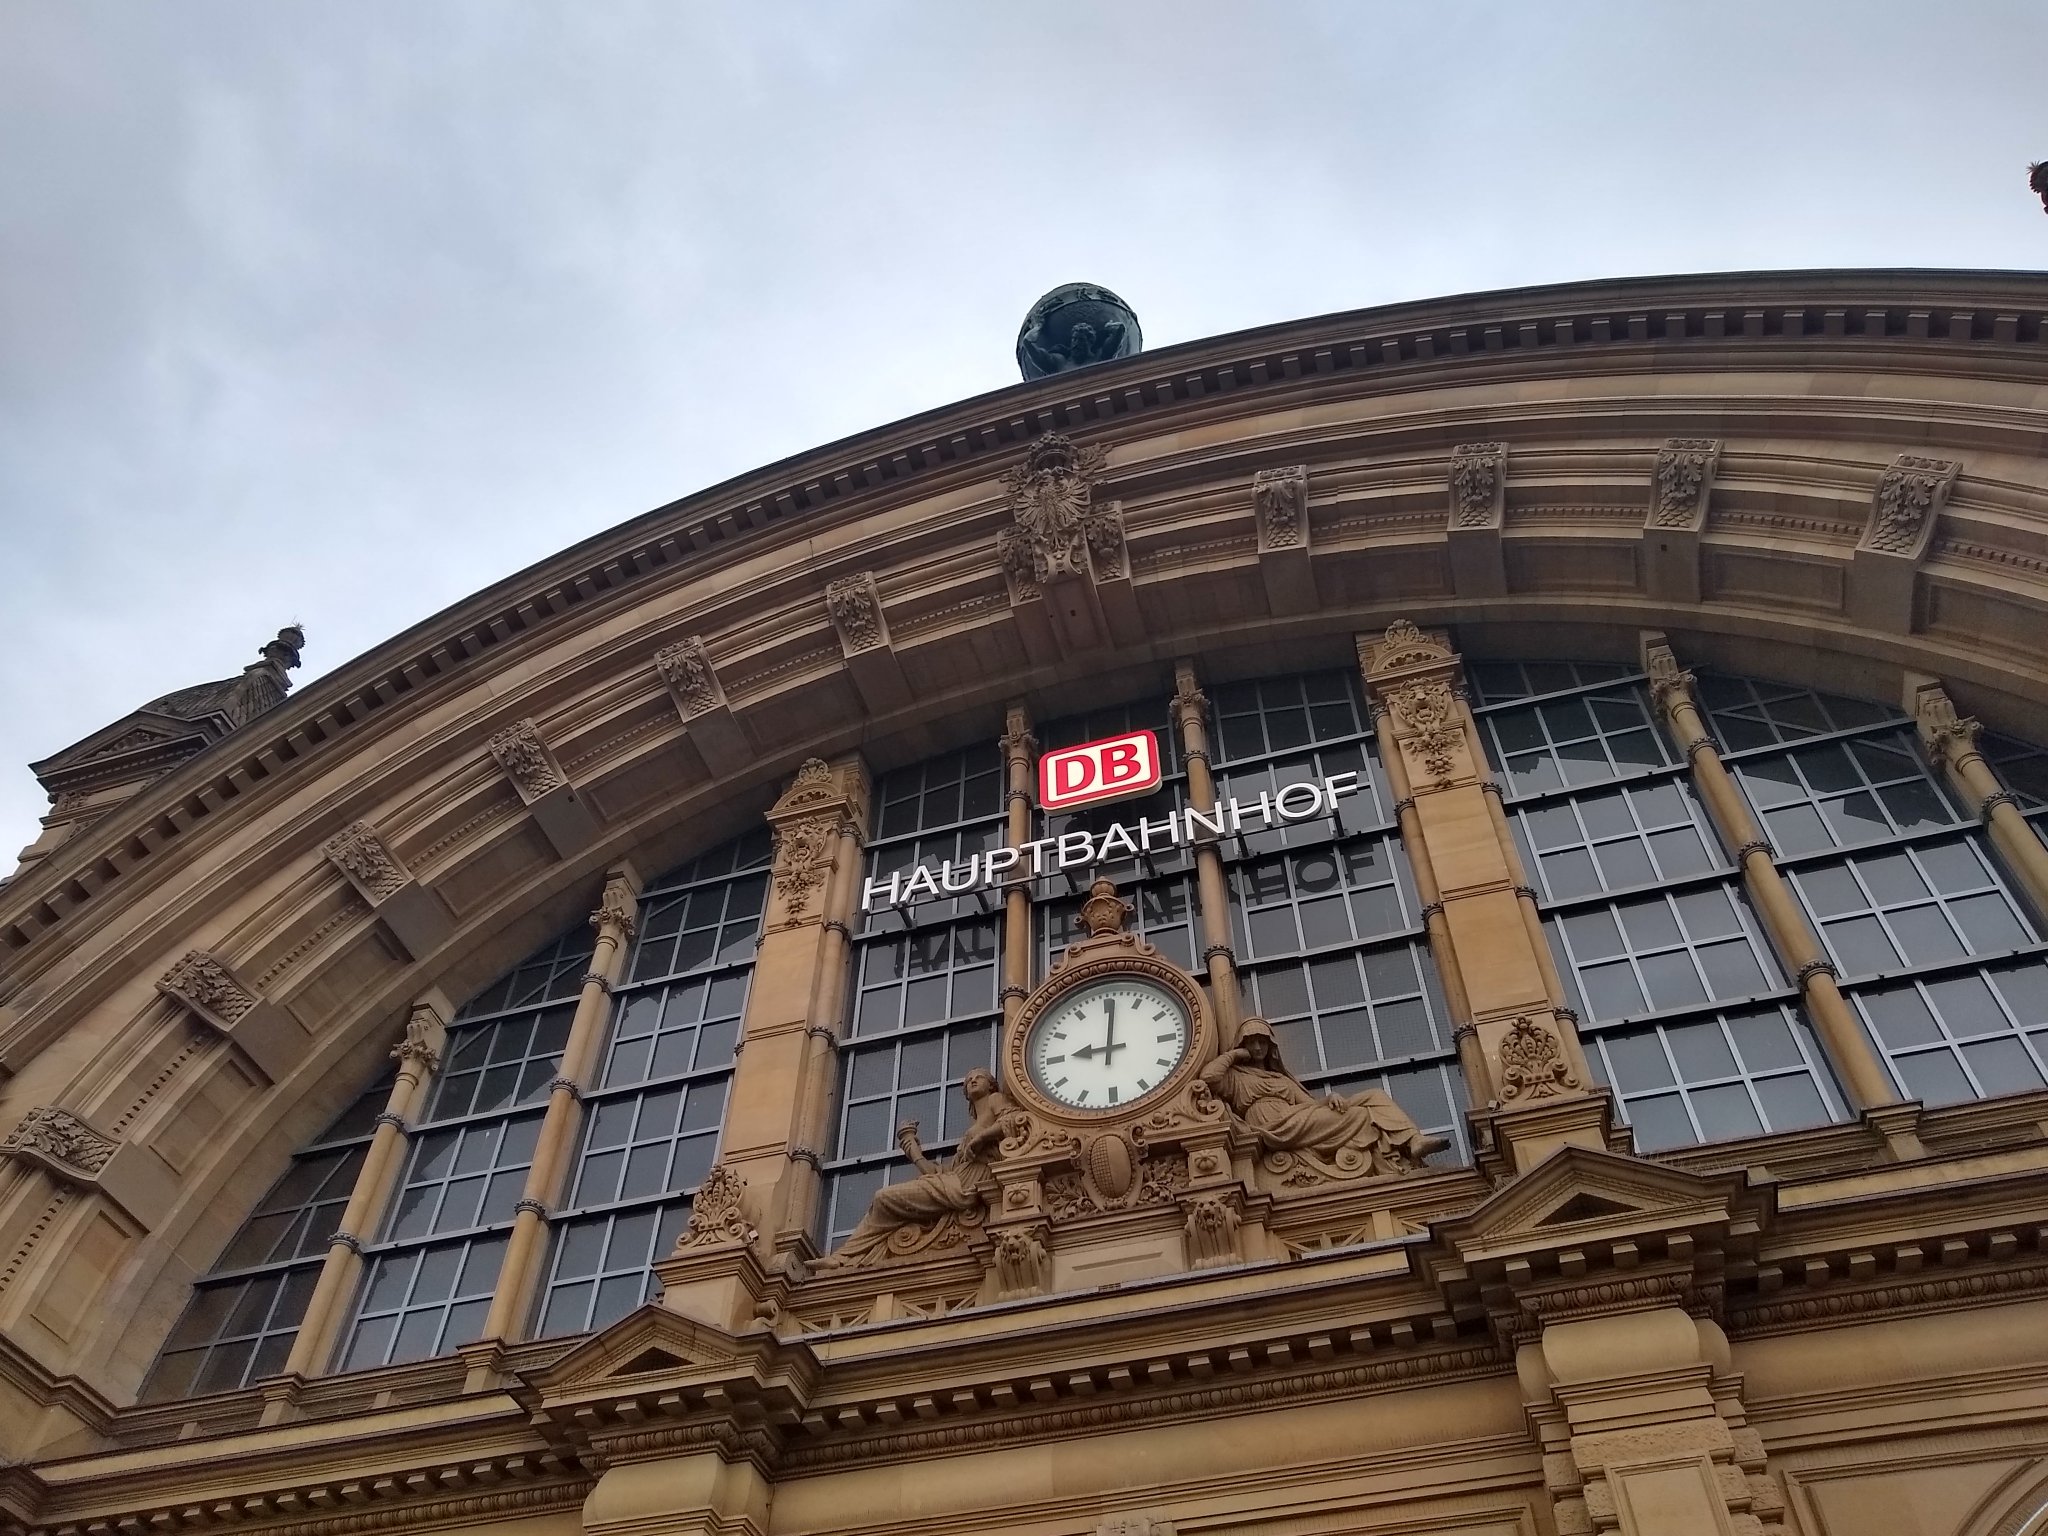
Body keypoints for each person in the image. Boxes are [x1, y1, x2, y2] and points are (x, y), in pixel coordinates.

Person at [811, 1067, 1014, 1269]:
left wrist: (981, 1138)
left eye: (979, 1077)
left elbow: (1012, 1121)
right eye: (968, 1079)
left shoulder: (995, 1099)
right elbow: (940, 1174)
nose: (972, 1080)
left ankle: (844, 1258)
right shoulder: (971, 1132)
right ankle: (844, 1258)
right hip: (955, 1183)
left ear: (991, 1084)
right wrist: (913, 1150)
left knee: (883, 1198)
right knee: (883, 1201)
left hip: (968, 1185)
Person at [1202, 1017, 1448, 1173]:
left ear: (1270, 1047)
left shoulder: (1281, 1079)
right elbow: (1208, 1078)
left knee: (1373, 1094)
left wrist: (1329, 1098)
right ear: (1242, 1044)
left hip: (1297, 1117)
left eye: (1262, 1042)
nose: (1256, 1048)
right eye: (1250, 1042)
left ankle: (1413, 1140)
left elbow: (1309, 1105)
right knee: (1361, 1116)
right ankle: (1398, 1148)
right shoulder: (1237, 1077)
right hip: (1273, 1124)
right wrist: (1234, 1056)